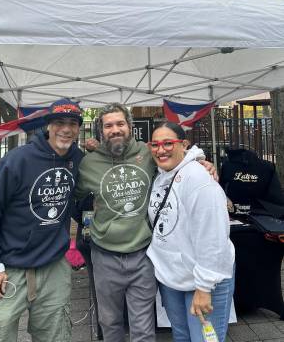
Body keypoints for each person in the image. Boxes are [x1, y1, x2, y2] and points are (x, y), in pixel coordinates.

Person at [73, 103, 217, 342]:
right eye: (108, 125)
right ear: (101, 131)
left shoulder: (146, 153)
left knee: (142, 325)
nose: (115, 129)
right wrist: (89, 215)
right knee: (109, 322)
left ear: (130, 127)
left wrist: (201, 162)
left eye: (120, 124)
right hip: (104, 255)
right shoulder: (89, 164)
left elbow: (175, 158)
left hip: (143, 255)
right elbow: (73, 199)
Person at [0, 98, 84, 342]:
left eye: (73, 123)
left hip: (53, 265)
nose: (66, 129)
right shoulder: (18, 160)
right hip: (10, 266)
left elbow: (79, 201)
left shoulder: (78, 159)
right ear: (48, 126)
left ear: (78, 128)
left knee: (56, 334)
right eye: (59, 122)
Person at [146, 122, 235, 342]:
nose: (161, 149)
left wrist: (204, 286)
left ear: (184, 144)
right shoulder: (160, 176)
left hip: (203, 280)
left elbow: (213, 236)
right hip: (172, 278)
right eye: (155, 144)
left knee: (204, 340)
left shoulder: (198, 178)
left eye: (168, 143)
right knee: (182, 336)